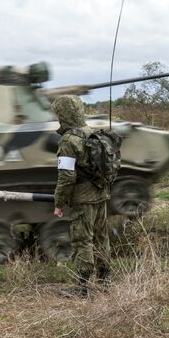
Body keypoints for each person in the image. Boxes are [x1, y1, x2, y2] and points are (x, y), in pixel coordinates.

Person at [51, 95, 111, 298]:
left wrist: (59, 202)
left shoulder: (68, 141)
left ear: (63, 115)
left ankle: (82, 289)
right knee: (101, 238)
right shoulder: (93, 133)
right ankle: (104, 282)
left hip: (83, 198)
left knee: (82, 241)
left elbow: (66, 176)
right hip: (101, 193)